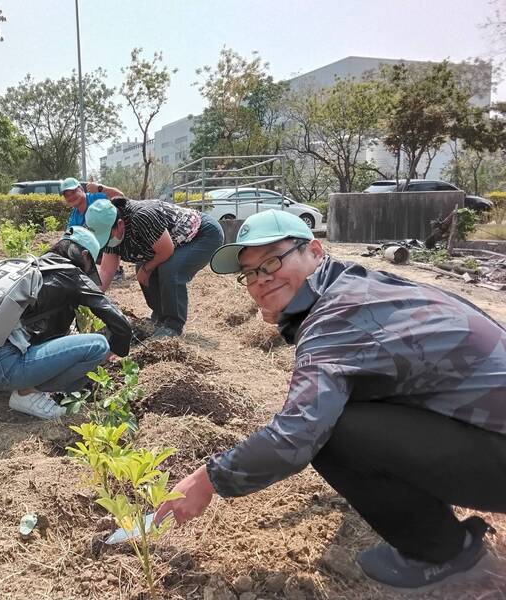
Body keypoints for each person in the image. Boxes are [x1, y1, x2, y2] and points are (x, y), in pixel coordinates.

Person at [155, 209, 506, 591]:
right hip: (485, 431)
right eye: (251, 273)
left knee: (333, 435)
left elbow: (296, 434)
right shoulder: (360, 286)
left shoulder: (335, 317)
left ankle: (445, 555)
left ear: (316, 251)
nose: (262, 279)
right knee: (349, 411)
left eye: (272, 260)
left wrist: (207, 480)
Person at [0, 226, 133, 420]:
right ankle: (27, 393)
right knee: (98, 345)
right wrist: (115, 349)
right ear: (84, 255)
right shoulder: (71, 275)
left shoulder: (31, 265)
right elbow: (121, 324)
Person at [85, 197, 224, 338]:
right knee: (143, 269)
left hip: (202, 234)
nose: (106, 241)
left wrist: (146, 270)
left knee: (170, 270)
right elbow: (106, 271)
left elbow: (166, 250)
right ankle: (159, 317)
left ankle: (172, 326)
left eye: (107, 236)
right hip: (173, 241)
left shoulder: (141, 217)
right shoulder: (112, 236)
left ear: (120, 224)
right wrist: (88, 298)